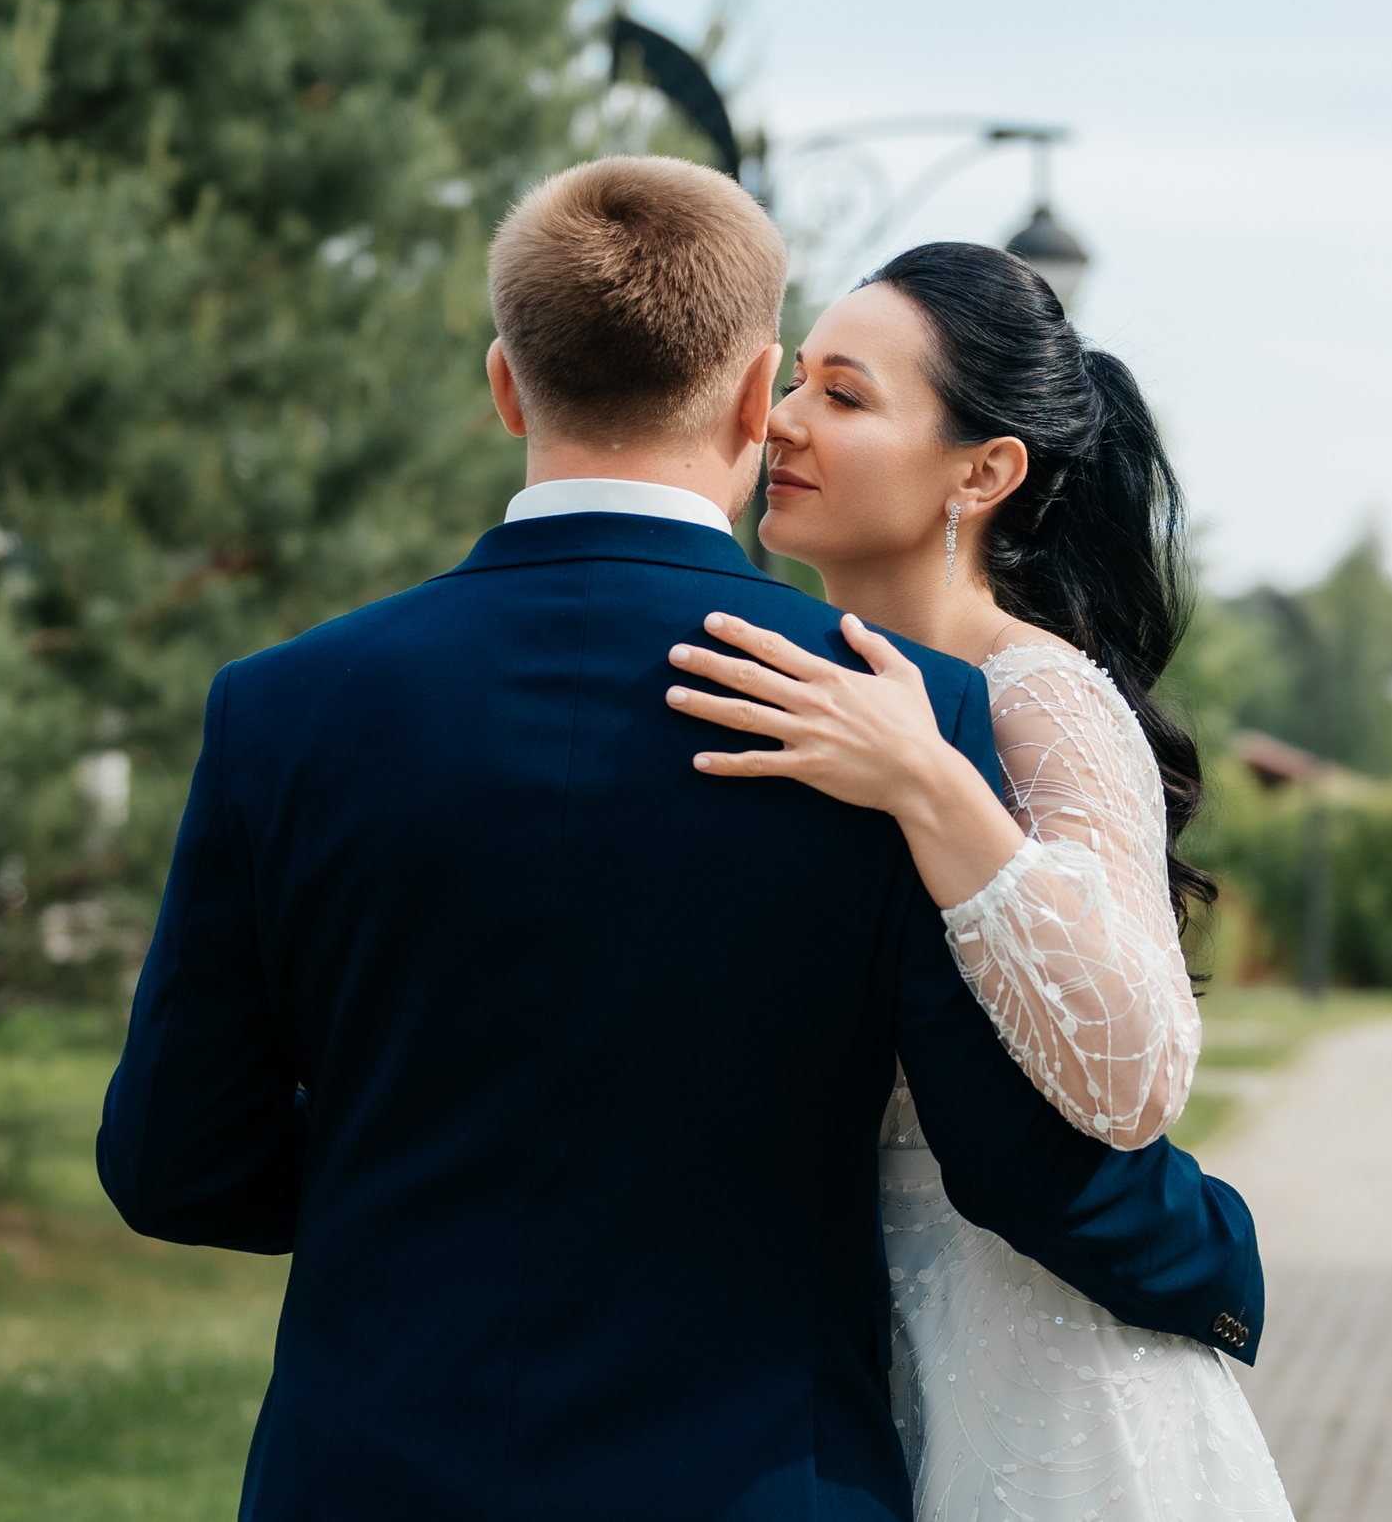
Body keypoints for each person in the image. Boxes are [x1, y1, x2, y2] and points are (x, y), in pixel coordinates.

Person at [99, 158, 1264, 1521]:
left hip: (365, 1474)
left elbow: (174, 1158)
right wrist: (1213, 1258)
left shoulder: (282, 706)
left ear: (505, 383)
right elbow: (1009, 1153)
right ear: (751, 390)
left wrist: (404, 1172)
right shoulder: (902, 712)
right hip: (757, 1480)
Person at [669, 242, 1292, 1522]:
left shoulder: (1041, 698)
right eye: (795, 383)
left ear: (983, 470)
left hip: (1029, 1353)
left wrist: (933, 785)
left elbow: (1134, 1076)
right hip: (804, 1342)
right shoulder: (786, 681)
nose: (781, 419)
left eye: (843, 396)